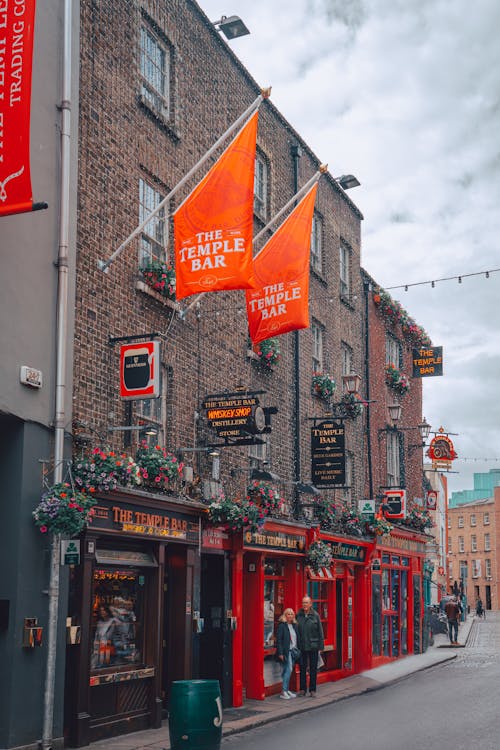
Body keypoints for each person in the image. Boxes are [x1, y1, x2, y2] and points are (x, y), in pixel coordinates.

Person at [296, 595, 324, 697]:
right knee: (302, 668)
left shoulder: (315, 615)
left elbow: (320, 632)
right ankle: (303, 689)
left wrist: (321, 647)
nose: (304, 605)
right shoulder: (298, 615)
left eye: (306, 603)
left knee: (313, 668)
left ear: (310, 604)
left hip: (313, 646)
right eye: (303, 603)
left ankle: (313, 690)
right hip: (302, 646)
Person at [276, 608, 300, 700]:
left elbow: (297, 639)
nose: (290, 615)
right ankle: (283, 691)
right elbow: (279, 640)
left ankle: (286, 689)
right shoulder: (282, 626)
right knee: (289, 670)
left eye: (292, 614)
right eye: (288, 614)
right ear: (285, 615)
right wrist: (280, 653)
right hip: (286, 652)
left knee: (288, 671)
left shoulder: (294, 625)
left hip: (294, 651)